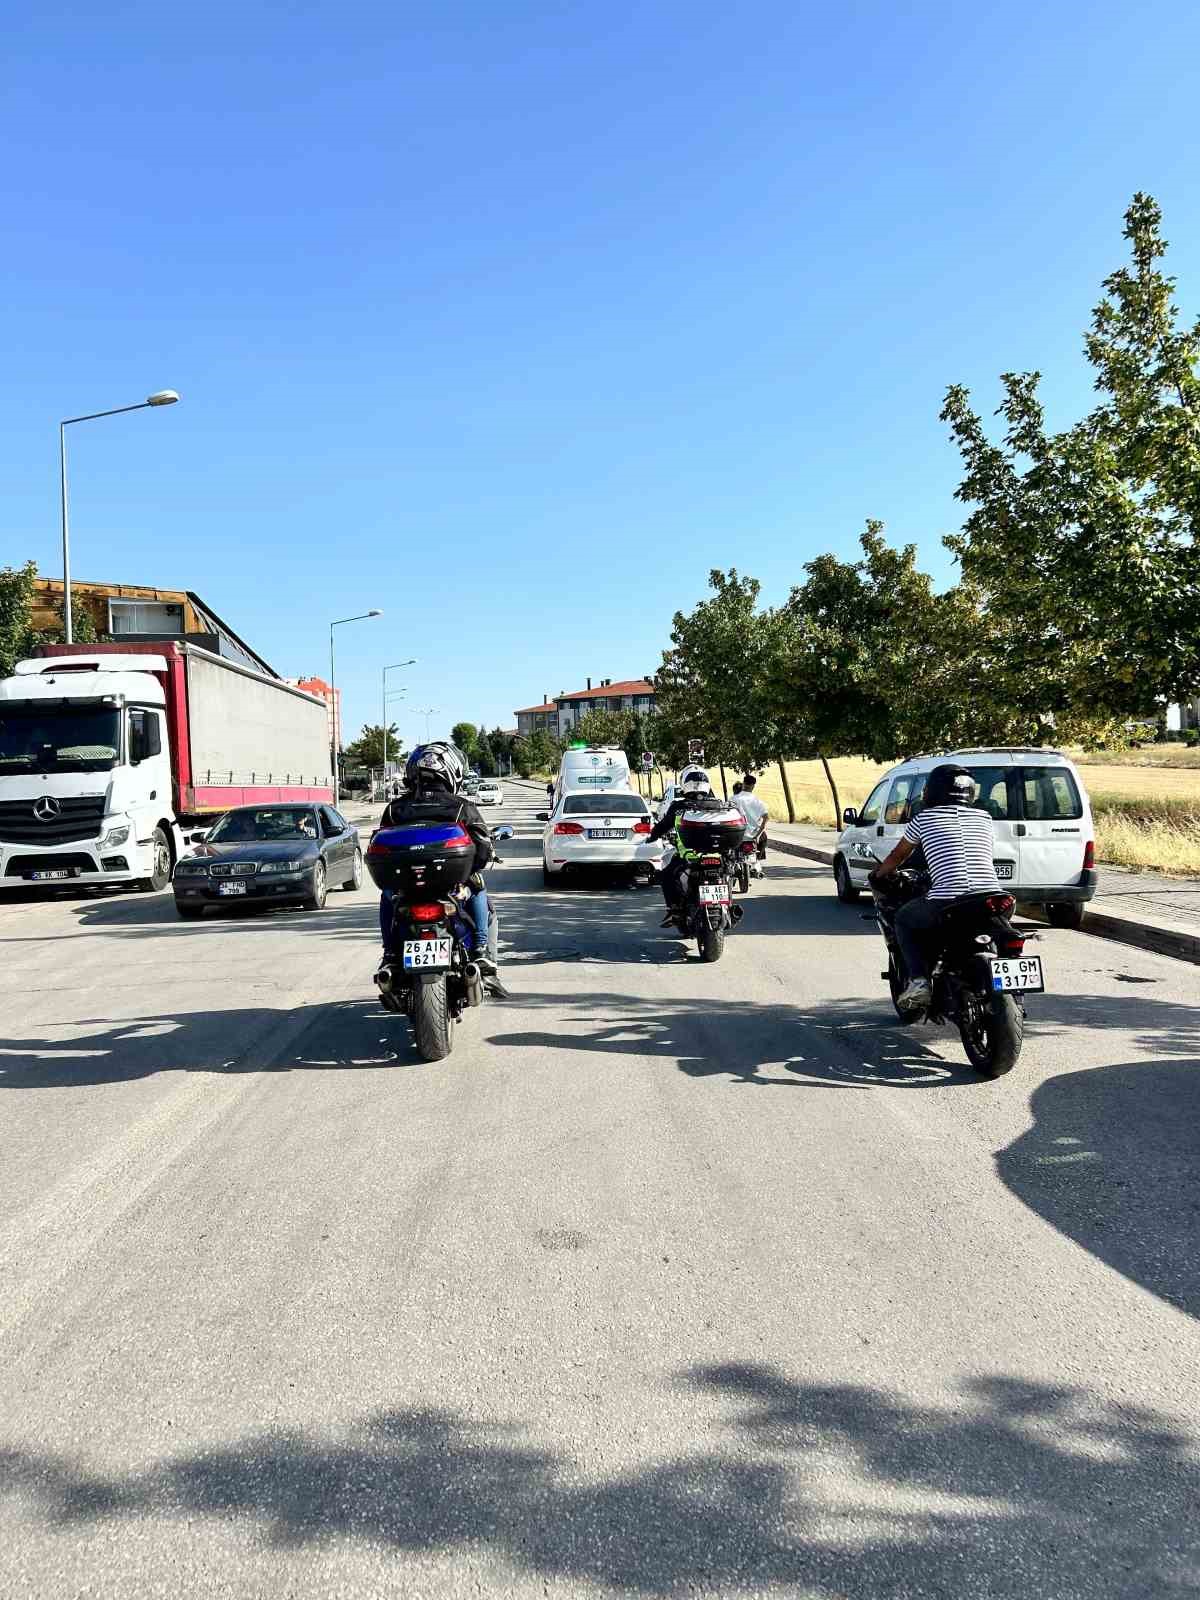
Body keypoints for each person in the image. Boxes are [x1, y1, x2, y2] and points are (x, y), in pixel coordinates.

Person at [871, 763, 1000, 1012]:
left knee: (904, 920)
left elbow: (898, 856)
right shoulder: (984, 817)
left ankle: (919, 981)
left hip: (949, 899)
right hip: (992, 895)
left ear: (933, 791)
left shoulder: (924, 818)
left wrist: (879, 874)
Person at [377, 742, 502, 981]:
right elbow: (483, 849)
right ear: (451, 771)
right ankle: (481, 950)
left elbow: (381, 849)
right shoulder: (462, 808)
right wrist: (472, 869)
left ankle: (391, 953)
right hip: (451, 887)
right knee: (478, 887)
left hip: (406, 887)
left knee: (386, 894)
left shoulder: (395, 809)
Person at [648, 765, 717, 925]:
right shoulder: (718, 805)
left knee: (666, 875)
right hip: (718, 855)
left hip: (689, 857)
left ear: (684, 784)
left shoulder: (679, 807)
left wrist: (651, 837)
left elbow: (662, 827)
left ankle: (675, 910)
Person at [732, 773, 769, 868]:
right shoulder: (758, 802)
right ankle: (757, 860)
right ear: (753, 786)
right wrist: (758, 835)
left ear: (743, 783)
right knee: (764, 838)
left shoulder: (733, 799)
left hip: (737, 835)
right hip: (753, 835)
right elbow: (766, 818)